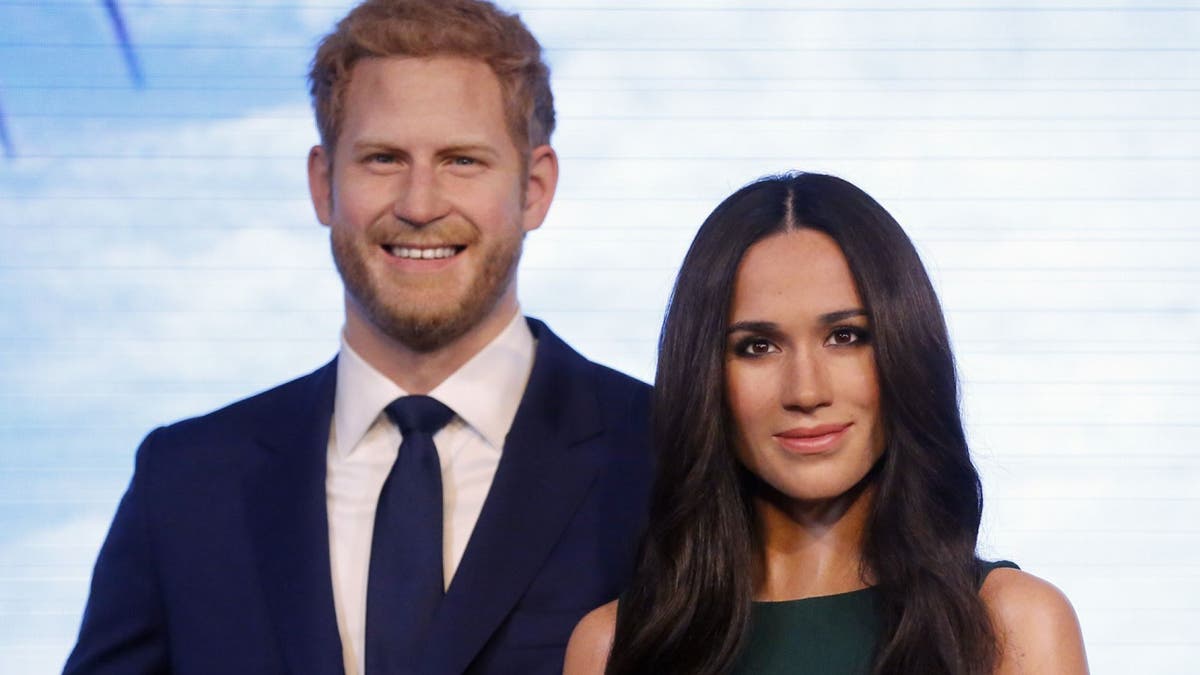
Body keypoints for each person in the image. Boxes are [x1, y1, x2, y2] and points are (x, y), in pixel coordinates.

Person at [63, 1, 653, 673]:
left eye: (462, 160)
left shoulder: (667, 459)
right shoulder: (186, 485)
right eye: (382, 159)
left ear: (535, 188)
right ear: (323, 183)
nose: (420, 203)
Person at [564, 173, 1088, 674]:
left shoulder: (1013, 626)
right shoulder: (612, 648)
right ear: (705, 378)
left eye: (845, 337)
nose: (806, 391)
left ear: (905, 352)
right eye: (758, 347)